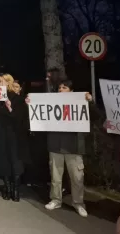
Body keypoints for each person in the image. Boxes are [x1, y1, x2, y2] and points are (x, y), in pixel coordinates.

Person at [27, 80, 92, 217]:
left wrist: (89, 101)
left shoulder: (80, 103)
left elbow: (95, 115)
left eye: (65, 87)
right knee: (55, 177)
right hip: (55, 145)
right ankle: (56, 199)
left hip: (74, 147)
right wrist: (31, 104)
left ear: (72, 91)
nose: (61, 89)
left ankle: (78, 203)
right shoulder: (52, 102)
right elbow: (40, 116)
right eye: (59, 88)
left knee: (76, 177)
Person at [0, 73, 29, 202]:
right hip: (1, 133)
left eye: (0, 82)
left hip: (14, 135)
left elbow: (20, 119)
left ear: (8, 82)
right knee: (3, 160)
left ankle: (16, 189)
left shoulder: (17, 99)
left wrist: (10, 108)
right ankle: (7, 188)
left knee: (15, 161)